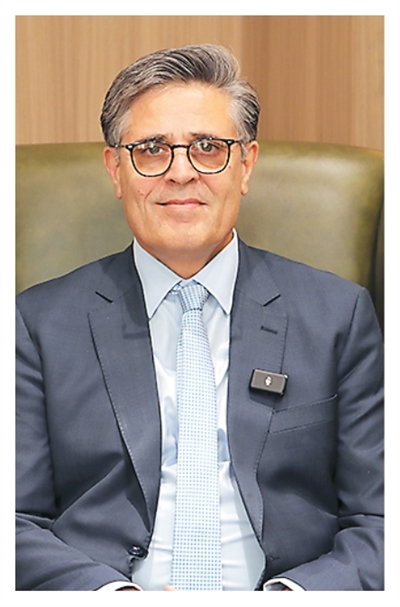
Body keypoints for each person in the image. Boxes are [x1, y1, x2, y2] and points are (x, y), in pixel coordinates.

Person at [16, 44, 384, 591]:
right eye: (151, 150)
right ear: (115, 169)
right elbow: (14, 520)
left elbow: (381, 518)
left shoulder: (338, 315)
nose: (181, 173)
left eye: (209, 148)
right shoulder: (37, 325)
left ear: (246, 165)